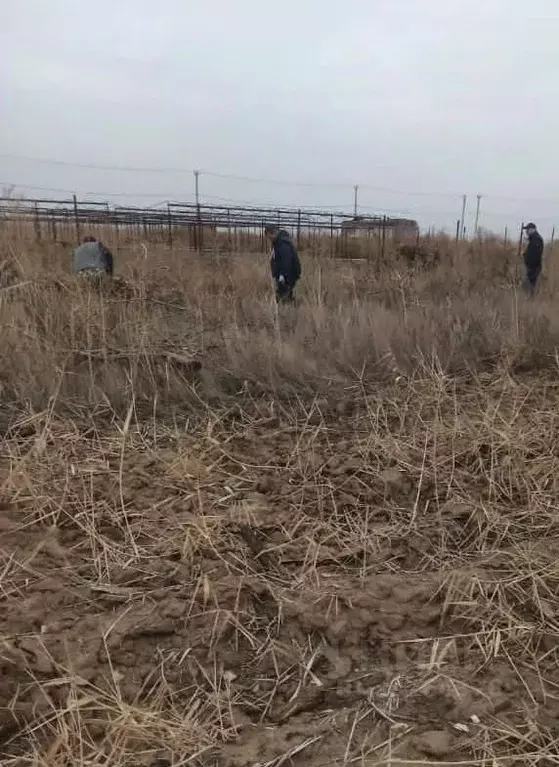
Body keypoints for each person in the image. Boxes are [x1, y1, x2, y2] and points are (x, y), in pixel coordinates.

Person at [264, 224, 302, 303]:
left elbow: (286, 261)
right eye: (268, 237)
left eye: (270, 236)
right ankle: (290, 307)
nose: (269, 239)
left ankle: (289, 310)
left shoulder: (283, 244)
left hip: (288, 275)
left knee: (283, 295)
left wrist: (282, 275)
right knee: (284, 295)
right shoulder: (278, 243)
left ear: (274, 232)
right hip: (285, 275)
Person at [522, 222, 544, 296]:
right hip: (531, 267)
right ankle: (529, 302)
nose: (526, 232)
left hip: (533, 268)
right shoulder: (533, 239)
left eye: (527, 230)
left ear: (532, 230)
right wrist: (524, 255)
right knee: (528, 285)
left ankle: (531, 302)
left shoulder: (537, 240)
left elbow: (535, 255)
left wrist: (531, 267)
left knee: (531, 286)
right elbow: (530, 252)